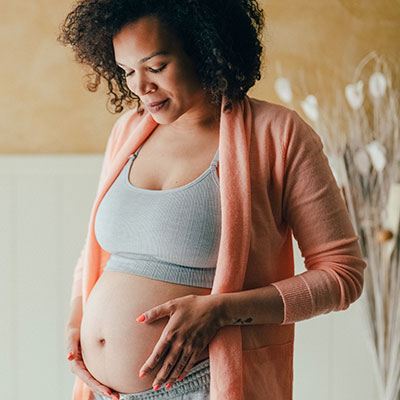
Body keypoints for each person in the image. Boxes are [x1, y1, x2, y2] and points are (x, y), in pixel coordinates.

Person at [58, 1, 367, 399]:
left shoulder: (279, 135)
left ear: (204, 48)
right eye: (127, 71)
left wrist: (221, 311)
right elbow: (97, 251)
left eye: (156, 67)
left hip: (201, 387)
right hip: (101, 391)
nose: (140, 86)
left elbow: (342, 275)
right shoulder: (128, 131)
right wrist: (76, 321)